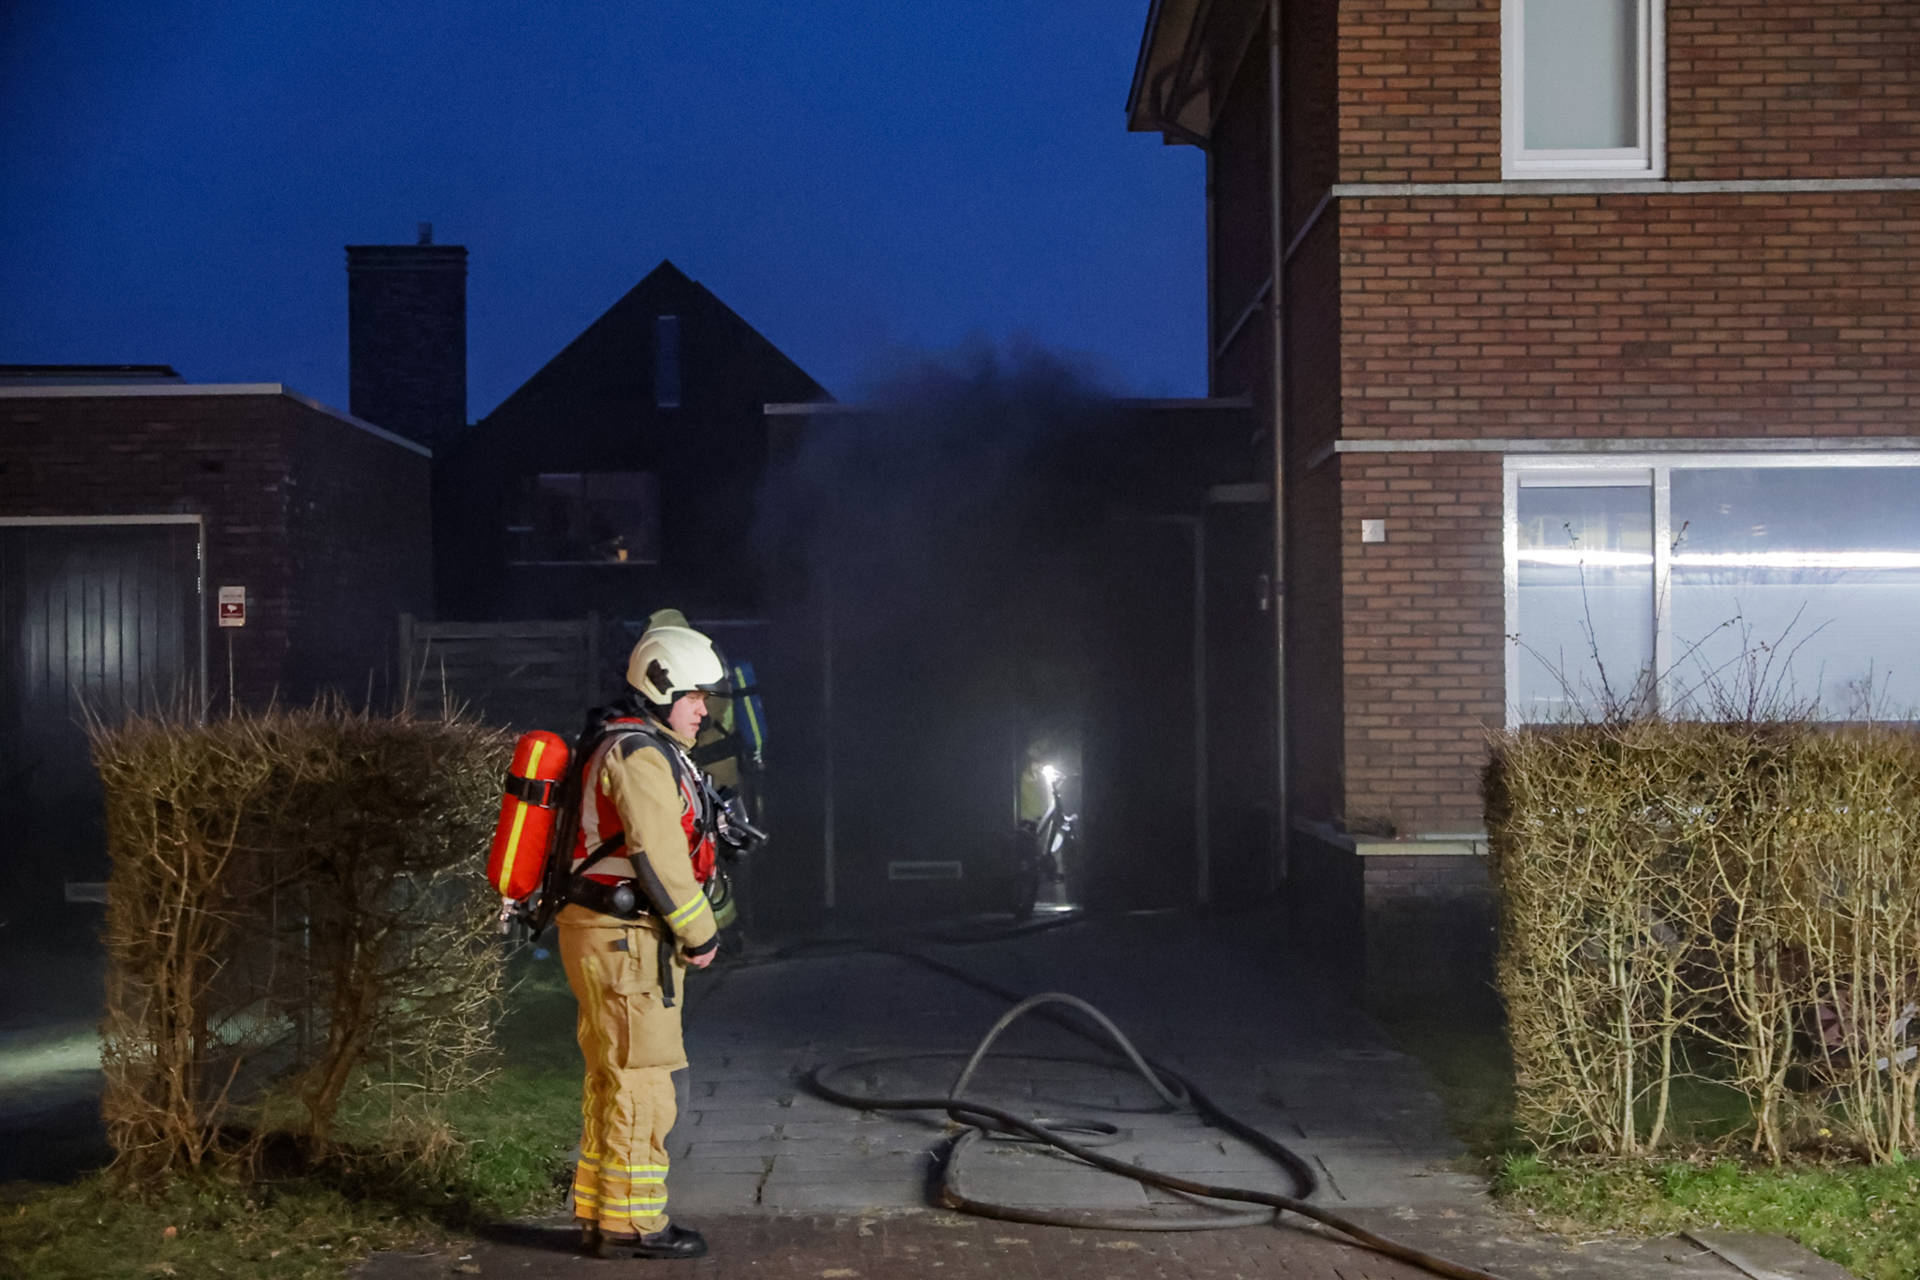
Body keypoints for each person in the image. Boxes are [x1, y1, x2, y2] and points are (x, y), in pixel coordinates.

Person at [558, 623, 727, 1260]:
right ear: (660, 691)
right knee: (642, 1081)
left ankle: (602, 1213)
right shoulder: (640, 755)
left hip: (605, 935)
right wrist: (701, 932)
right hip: (624, 941)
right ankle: (635, 1226)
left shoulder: (622, 745)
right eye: (693, 697)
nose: (702, 709)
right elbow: (659, 860)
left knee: (611, 1077)